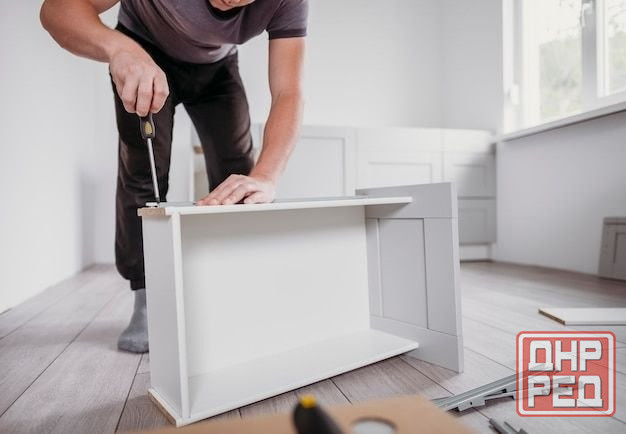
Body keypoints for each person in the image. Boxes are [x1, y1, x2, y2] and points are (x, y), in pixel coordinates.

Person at [40, 0, 307, 353]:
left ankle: (234, 289)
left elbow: (289, 92)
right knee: (144, 173)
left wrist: (267, 176)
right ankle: (147, 298)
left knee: (242, 176)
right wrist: (119, 48)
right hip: (143, 50)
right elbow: (57, 11)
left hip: (217, 68)